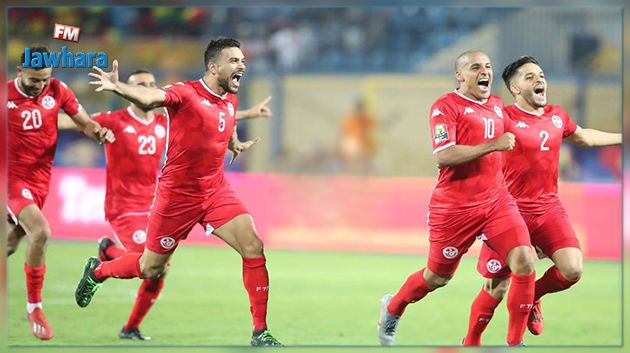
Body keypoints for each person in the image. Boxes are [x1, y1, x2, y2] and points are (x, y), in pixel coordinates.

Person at [72, 38, 282, 346]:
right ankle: (99, 271)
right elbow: (150, 97)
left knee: (253, 246)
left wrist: (234, 143)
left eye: (242, 61)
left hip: (215, 190)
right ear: (214, 67)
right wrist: (119, 88)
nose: (242, 65)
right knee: (150, 268)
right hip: (177, 197)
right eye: (234, 61)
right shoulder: (185, 93)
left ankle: (260, 331)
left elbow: (226, 122)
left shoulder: (230, 100)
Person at [377, 50, 536, 346]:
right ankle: (393, 307)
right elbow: (445, 154)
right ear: (459, 75)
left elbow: (521, 135)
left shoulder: (498, 104)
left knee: (524, 260)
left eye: (487, 66)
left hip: (496, 201)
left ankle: (515, 344)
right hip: (455, 208)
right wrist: (493, 145)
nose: (484, 72)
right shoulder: (445, 106)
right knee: (437, 278)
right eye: (475, 67)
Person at [463, 55, 622, 345]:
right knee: (496, 288)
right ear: (515, 89)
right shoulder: (504, 117)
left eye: (541, 75)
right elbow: (478, 141)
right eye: (529, 77)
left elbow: (584, 137)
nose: (539, 80)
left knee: (572, 269)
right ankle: (471, 342)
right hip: (508, 211)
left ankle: (532, 296)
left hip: (549, 208)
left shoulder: (557, 115)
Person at [6, 46, 114, 340]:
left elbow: (85, 122)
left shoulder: (58, 89)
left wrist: (98, 133)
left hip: (41, 180)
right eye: (33, 80)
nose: (39, 86)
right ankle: (35, 307)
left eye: (44, 79)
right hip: (12, 179)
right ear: (19, 72)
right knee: (40, 233)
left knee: (11, 244)